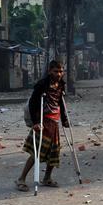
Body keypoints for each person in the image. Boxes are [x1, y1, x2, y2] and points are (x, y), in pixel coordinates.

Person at [15, 60, 69, 191]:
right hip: (43, 122)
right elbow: (33, 104)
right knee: (37, 152)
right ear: (50, 71)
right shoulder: (42, 85)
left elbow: (60, 103)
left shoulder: (61, 84)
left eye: (61, 71)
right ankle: (21, 178)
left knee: (54, 151)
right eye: (56, 71)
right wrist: (35, 123)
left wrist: (64, 119)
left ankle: (47, 178)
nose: (59, 74)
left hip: (54, 123)